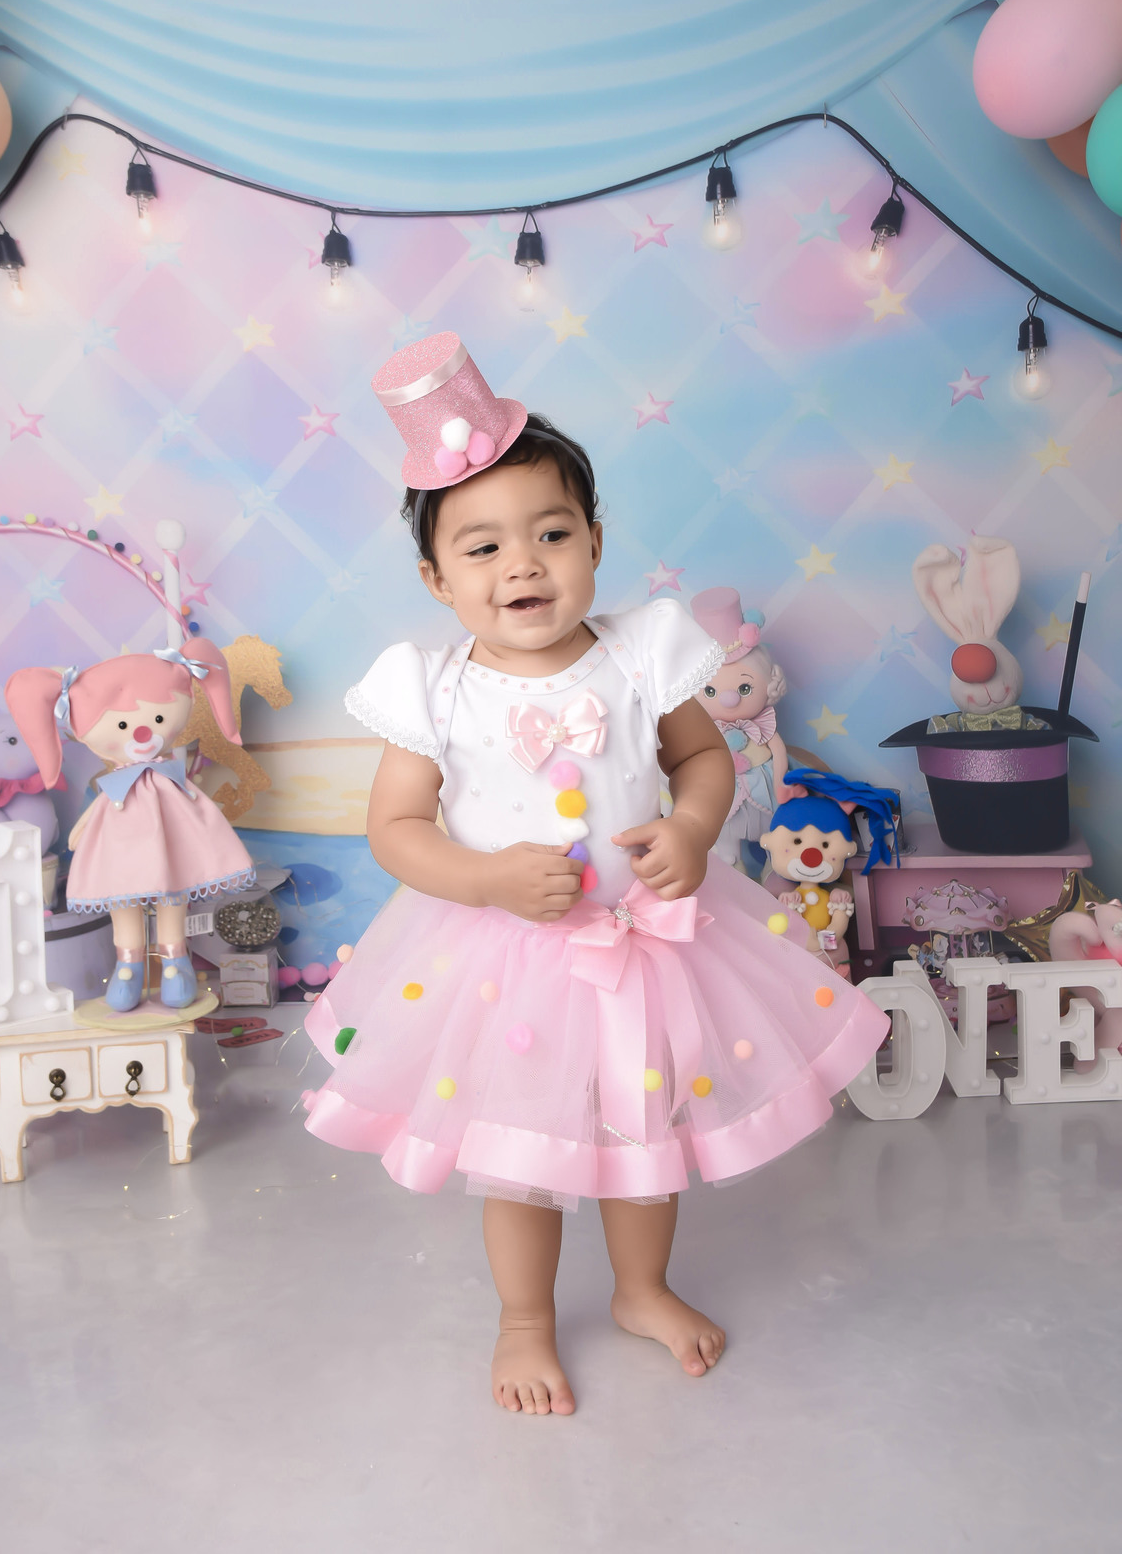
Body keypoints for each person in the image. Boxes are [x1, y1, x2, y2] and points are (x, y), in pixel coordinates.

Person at [303, 333, 889, 1416]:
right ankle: (525, 1320)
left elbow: (702, 759)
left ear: (596, 542)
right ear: (437, 579)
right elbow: (395, 827)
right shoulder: (432, 689)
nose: (522, 564)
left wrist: (695, 828)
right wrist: (483, 878)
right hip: (506, 959)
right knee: (521, 1154)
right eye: (483, 547)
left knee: (642, 1130)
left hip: (651, 942)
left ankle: (641, 1288)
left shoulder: (639, 654)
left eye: (551, 533)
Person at [6, 641, 254, 1011]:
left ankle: (176, 963)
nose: (142, 734)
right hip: (122, 850)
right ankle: (127, 968)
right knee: (122, 899)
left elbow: (191, 804)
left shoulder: (170, 779)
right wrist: (82, 829)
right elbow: (102, 806)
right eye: (122, 725)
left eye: (158, 720)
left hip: (170, 847)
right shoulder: (117, 786)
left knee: (173, 893)